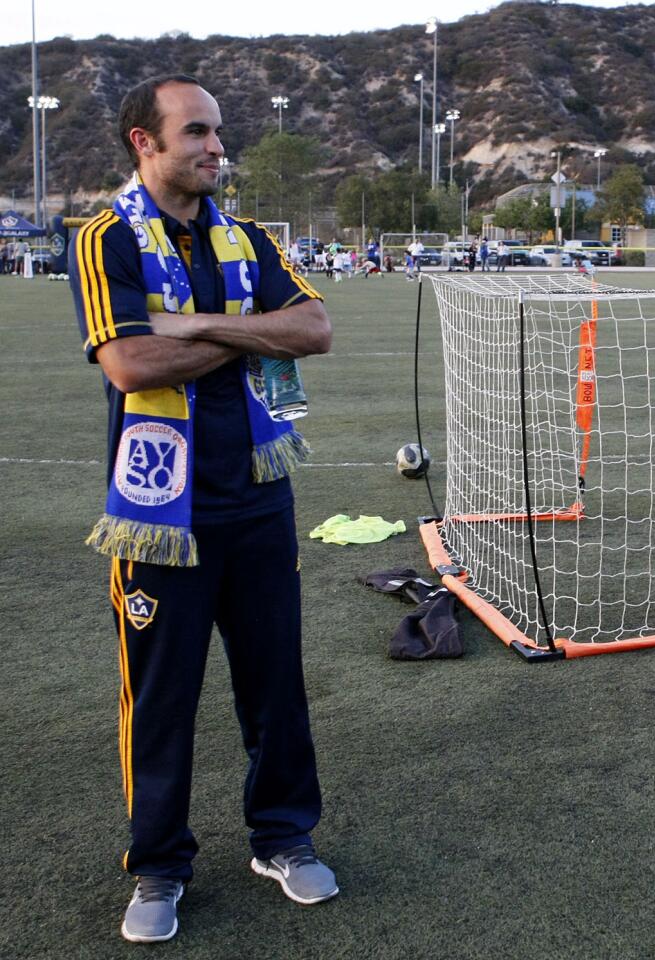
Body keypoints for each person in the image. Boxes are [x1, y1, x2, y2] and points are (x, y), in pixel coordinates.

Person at [67, 74, 337, 944]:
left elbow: (314, 331)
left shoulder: (248, 236)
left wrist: (189, 325)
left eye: (219, 132)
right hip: (158, 506)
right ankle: (158, 865)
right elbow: (131, 366)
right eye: (198, 132)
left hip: (258, 494)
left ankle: (284, 838)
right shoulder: (104, 238)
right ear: (145, 142)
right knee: (161, 693)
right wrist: (240, 326)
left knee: (275, 681)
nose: (217, 146)